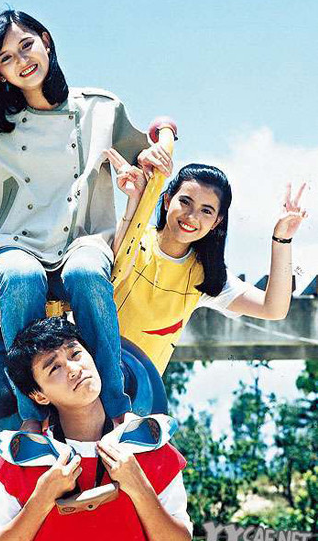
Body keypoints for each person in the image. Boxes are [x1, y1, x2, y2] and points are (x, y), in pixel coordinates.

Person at [0, 8, 172, 428]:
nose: (22, 61)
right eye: (6, 58)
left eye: (26, 46)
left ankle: (116, 409)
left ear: (46, 41)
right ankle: (31, 417)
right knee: (21, 278)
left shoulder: (100, 108)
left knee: (87, 274)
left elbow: (144, 164)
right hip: (15, 242)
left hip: (83, 238)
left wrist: (154, 158)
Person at [0, 317, 192, 541]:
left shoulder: (149, 444)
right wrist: (41, 499)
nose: (74, 369)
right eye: (54, 368)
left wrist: (139, 486)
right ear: (39, 396)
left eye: (76, 354)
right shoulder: (18, 459)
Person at [107, 148, 308, 373]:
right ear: (167, 200)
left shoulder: (205, 274)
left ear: (216, 222)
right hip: (85, 372)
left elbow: (273, 309)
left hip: (138, 389)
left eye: (206, 211)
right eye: (185, 202)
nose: (192, 216)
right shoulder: (132, 236)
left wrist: (282, 239)